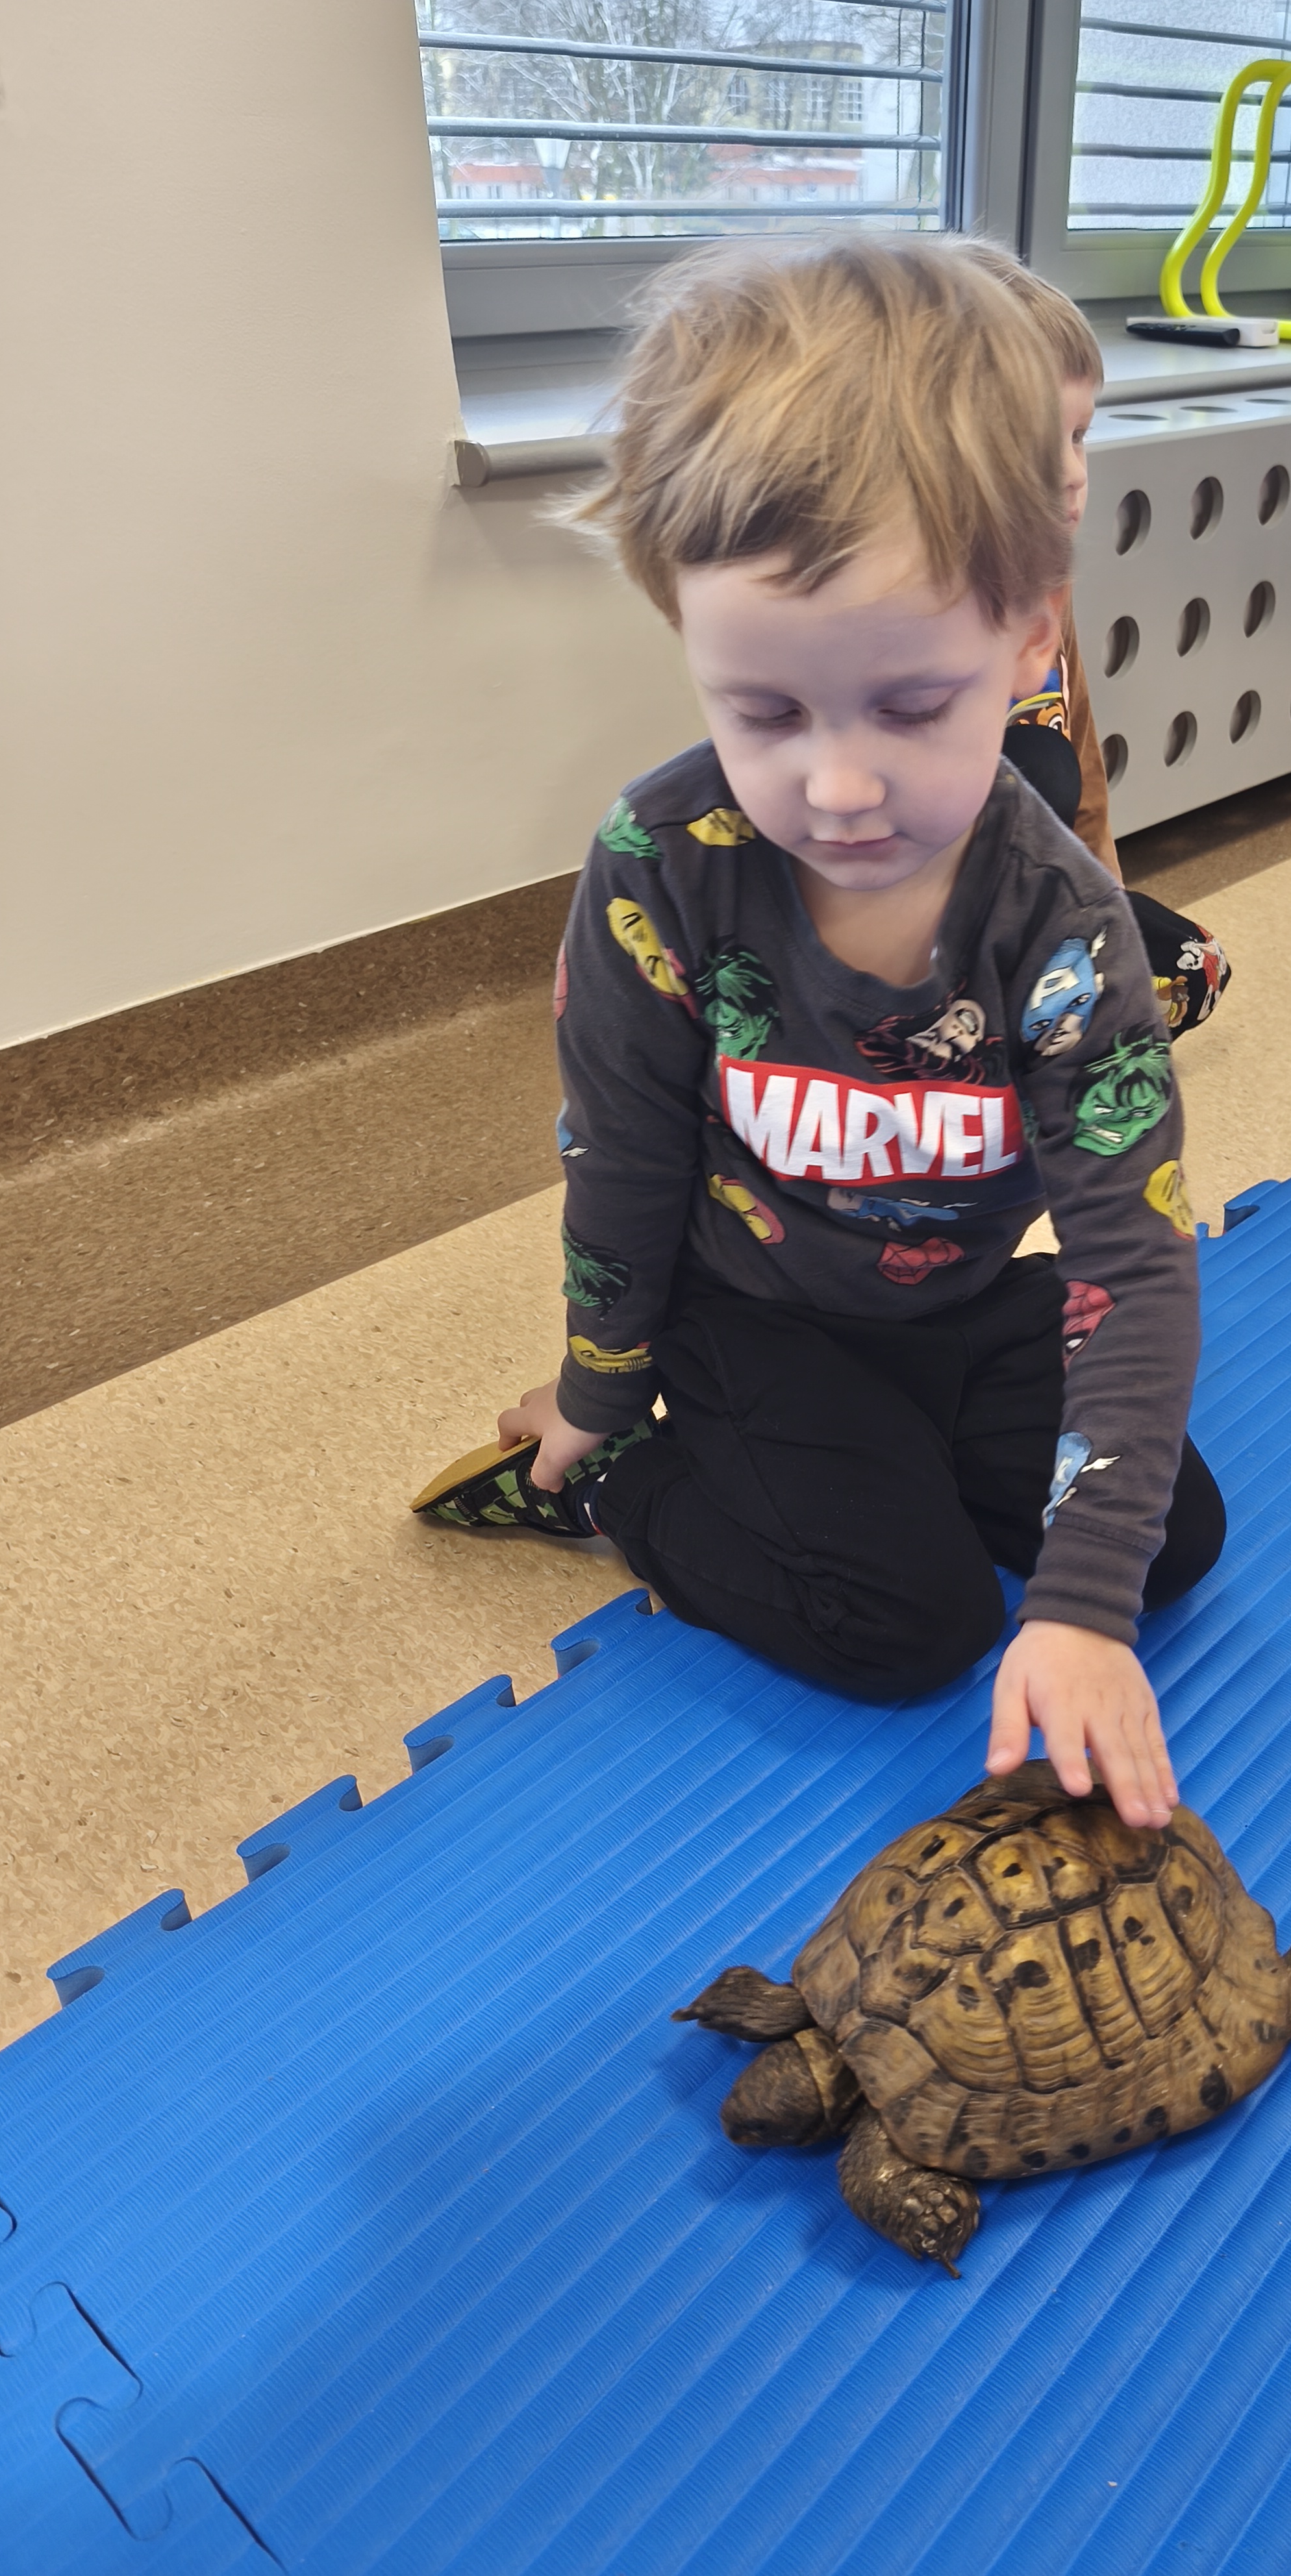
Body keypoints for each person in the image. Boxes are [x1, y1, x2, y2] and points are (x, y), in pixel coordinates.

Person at [412, 236, 1223, 1831]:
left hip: (966, 1303)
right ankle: (633, 1488)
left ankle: (901, 1465)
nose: (838, 787)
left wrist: (1083, 1600)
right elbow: (624, 1159)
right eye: (765, 712)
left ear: (1031, 642)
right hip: (752, 1312)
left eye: (912, 706)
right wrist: (595, 1401)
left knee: (1165, 1540)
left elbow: (1132, 1263)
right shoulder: (659, 867)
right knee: (904, 1630)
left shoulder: (1063, 924)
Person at [963, 245, 1232, 1040]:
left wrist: (1103, 908)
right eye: (1034, 443)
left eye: (1079, 436)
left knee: (1195, 966)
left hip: (1036, 904)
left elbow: (1079, 754)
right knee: (1030, 765)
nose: (1073, 473)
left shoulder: (1048, 582)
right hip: (927, 932)